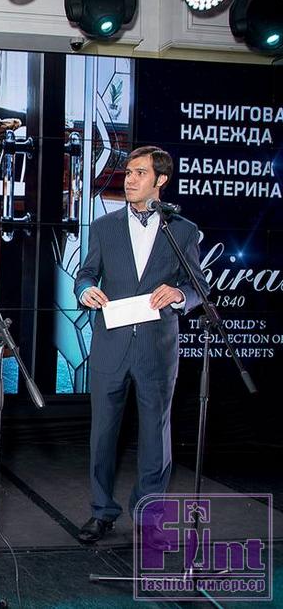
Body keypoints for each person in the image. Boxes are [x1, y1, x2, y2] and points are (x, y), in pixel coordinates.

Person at [74, 146, 207, 544]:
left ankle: (149, 520)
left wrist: (180, 294)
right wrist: (85, 291)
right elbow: (86, 273)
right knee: (102, 435)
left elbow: (197, 286)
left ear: (160, 180)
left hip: (156, 349)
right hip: (110, 346)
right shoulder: (105, 226)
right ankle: (101, 512)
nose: (129, 179)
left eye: (139, 173)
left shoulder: (181, 230)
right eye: (128, 172)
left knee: (155, 437)